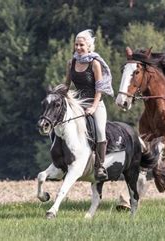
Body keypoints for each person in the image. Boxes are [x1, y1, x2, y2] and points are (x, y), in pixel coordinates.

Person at [65, 29, 114, 181]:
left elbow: (100, 88)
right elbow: (66, 85)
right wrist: (58, 96)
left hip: (95, 103)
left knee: (100, 131)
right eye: (76, 45)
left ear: (89, 46)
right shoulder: (71, 62)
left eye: (81, 45)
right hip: (78, 103)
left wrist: (93, 107)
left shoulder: (95, 64)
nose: (78, 48)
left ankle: (100, 166)